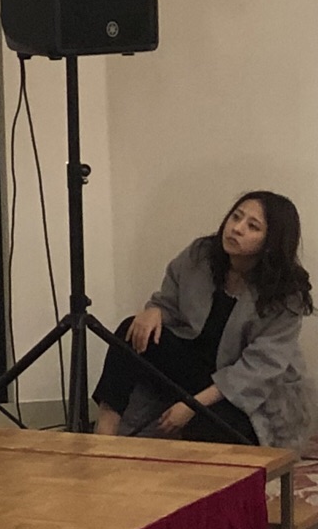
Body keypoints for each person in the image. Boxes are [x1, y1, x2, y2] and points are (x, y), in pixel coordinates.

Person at [92, 190, 314, 447]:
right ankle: (103, 437)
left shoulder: (286, 294)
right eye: (236, 217)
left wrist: (191, 405)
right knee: (131, 330)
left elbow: (256, 371)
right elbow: (169, 303)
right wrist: (154, 310)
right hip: (197, 370)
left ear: (271, 243)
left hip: (249, 395)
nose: (237, 228)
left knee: (215, 430)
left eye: (252, 226)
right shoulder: (201, 254)